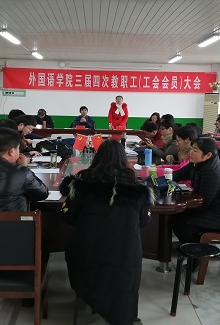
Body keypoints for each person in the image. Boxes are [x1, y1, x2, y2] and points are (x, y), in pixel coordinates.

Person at [59, 139, 153, 325]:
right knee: (125, 275)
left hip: (87, 255)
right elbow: (145, 221)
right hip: (124, 257)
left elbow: (67, 217)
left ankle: (91, 299)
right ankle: (124, 316)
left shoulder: (81, 187)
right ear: (124, 160)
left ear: (97, 158)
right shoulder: (137, 191)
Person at [171, 137, 220, 243]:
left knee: (181, 222)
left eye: (195, 150)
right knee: (175, 215)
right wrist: (157, 180)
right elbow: (178, 175)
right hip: (211, 208)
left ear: (208, 155)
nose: (191, 152)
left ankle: (196, 250)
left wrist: (185, 210)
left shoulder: (212, 171)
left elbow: (205, 201)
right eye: (191, 148)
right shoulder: (197, 162)